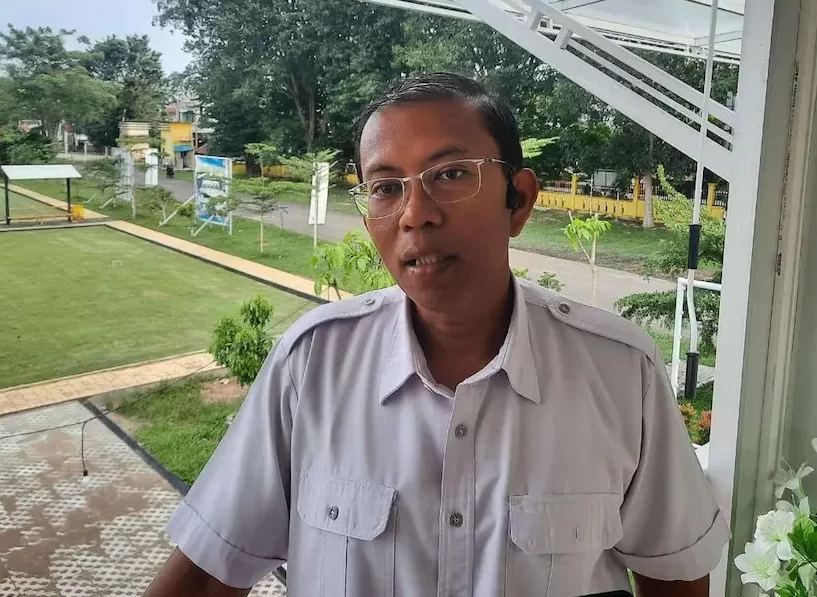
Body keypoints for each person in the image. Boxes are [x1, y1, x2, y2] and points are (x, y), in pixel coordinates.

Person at [143, 73, 729, 597]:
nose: (415, 213)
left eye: (450, 175)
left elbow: (674, 572)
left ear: (519, 200)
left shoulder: (619, 372)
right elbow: (212, 572)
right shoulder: (313, 363)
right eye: (386, 187)